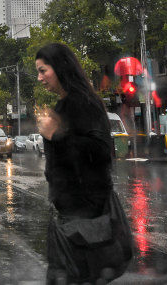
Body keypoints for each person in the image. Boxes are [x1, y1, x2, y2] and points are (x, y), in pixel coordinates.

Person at [35, 43, 132, 284]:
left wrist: (56, 135)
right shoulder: (68, 103)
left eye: (43, 70)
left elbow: (100, 151)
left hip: (84, 219)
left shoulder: (81, 102)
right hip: (72, 215)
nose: (39, 78)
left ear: (60, 68)